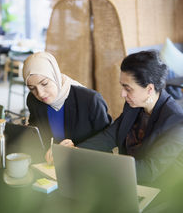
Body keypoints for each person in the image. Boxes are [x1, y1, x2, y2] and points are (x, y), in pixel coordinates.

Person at [61, 50, 183, 206]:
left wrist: (102, 164)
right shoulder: (134, 105)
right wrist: (76, 151)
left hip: (160, 193)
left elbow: (149, 171)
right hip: (129, 182)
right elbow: (110, 135)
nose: (122, 94)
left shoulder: (175, 120)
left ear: (150, 89)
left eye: (128, 88)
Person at [22, 51, 112, 163]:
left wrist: (77, 149)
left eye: (44, 84)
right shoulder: (33, 100)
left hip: (87, 163)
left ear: (54, 75)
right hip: (52, 165)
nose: (40, 93)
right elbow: (37, 132)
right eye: (32, 88)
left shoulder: (90, 100)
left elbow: (107, 141)